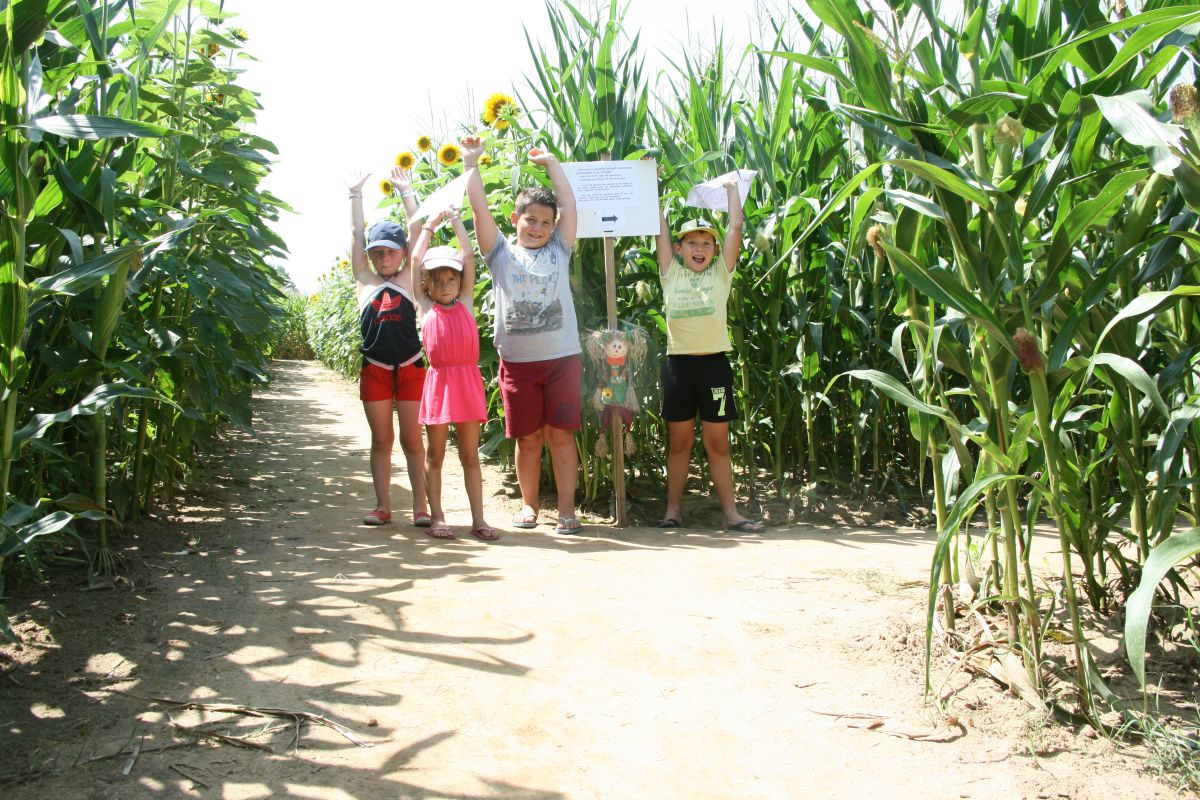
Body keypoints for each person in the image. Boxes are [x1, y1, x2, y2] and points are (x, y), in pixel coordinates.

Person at [460, 135, 584, 535]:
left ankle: (566, 509)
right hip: (517, 363)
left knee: (561, 436)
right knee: (528, 439)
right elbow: (479, 208)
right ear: (515, 220)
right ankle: (530, 506)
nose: (540, 227)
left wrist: (552, 164)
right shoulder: (500, 253)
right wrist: (470, 163)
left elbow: (571, 207)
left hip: (562, 357)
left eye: (546, 222)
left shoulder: (560, 249)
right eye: (531, 219)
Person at [655, 176, 763, 532]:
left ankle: (731, 514)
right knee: (680, 442)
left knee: (718, 444)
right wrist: (652, 188)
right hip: (678, 367)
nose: (699, 248)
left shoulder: (722, 274)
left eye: (706, 243)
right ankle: (672, 512)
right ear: (679, 247)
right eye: (691, 243)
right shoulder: (669, 273)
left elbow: (735, 225)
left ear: (715, 251)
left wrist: (732, 189)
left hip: (714, 365)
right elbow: (659, 226)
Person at [407, 207, 498, 541]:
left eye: (451, 278)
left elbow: (468, 255)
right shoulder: (426, 307)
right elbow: (415, 263)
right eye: (438, 280)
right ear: (427, 285)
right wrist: (429, 227)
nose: (445, 285)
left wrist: (458, 220)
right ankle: (438, 517)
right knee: (436, 454)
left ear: (460, 281)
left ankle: (479, 520)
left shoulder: (466, 301)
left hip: (467, 382)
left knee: (471, 456)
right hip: (439, 384)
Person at [346, 168, 430, 528]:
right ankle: (382, 506)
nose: (383, 259)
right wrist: (355, 195)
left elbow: (417, 230)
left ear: (404, 254)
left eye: (390, 253)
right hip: (375, 369)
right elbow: (356, 234)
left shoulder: (410, 280)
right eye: (376, 253)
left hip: (411, 368)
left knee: (413, 441)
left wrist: (407, 191)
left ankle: (421, 508)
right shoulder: (364, 280)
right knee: (382, 440)